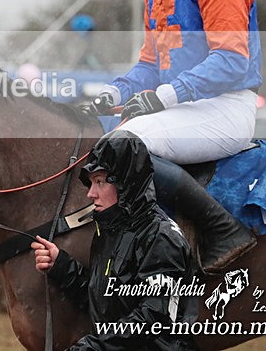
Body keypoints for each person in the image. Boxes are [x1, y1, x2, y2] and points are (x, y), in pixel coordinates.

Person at [81, 0, 260, 273]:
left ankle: (223, 230)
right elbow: (149, 65)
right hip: (187, 110)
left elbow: (233, 60)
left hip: (225, 109)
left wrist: (162, 96)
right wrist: (112, 93)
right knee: (109, 136)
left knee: (125, 145)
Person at [32, 137, 197, 350]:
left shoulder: (161, 237)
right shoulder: (110, 231)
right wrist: (61, 266)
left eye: (100, 181)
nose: (91, 194)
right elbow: (107, 302)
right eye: (91, 183)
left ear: (127, 182)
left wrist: (90, 348)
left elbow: (152, 319)